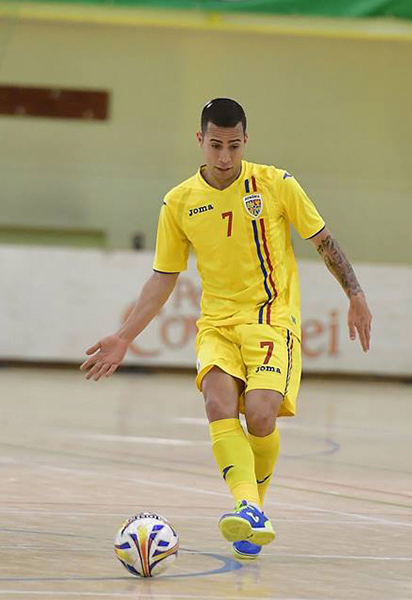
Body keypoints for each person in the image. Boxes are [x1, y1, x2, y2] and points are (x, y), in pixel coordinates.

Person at [81, 98, 372, 559]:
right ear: (200, 140)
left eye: (233, 146)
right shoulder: (178, 202)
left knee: (259, 414)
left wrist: (354, 294)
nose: (224, 157)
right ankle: (248, 508)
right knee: (218, 404)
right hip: (217, 323)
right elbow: (163, 277)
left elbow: (323, 241)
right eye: (215, 145)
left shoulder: (276, 184)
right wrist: (125, 336)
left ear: (245, 142)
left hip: (272, 319)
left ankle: (254, 505)